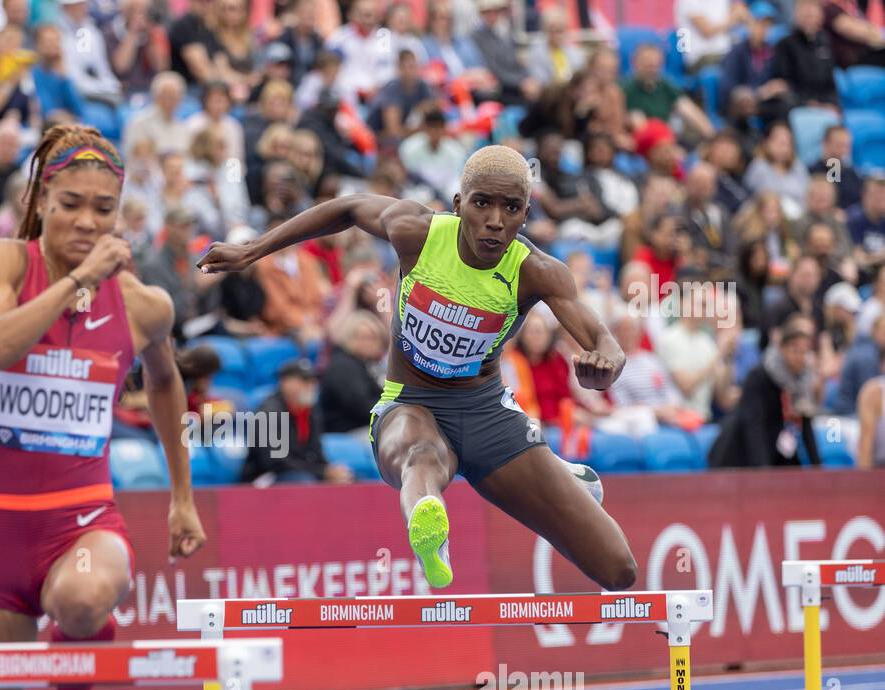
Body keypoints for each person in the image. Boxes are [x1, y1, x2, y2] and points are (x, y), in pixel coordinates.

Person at [199, 144, 636, 592]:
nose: (495, 221)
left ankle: (560, 476)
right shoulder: (418, 232)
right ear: (458, 204)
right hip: (410, 404)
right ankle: (430, 527)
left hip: (487, 416)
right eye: (482, 203)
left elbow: (605, 342)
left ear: (526, 214)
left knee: (617, 570)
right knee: (421, 455)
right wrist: (253, 249)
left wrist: (605, 366)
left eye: (512, 208)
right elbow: (348, 207)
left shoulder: (538, 271)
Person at [0, 125, 205, 690]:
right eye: (70, 205)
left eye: (103, 209)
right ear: (40, 201)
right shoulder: (1, 262)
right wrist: (77, 284)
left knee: (86, 600)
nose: (88, 223)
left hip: (82, 520)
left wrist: (180, 494)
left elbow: (164, 380)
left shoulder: (145, 305)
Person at [709, 317, 822, 468]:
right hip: (740, 455)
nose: (800, 357)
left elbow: (806, 426)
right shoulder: (760, 376)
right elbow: (753, 427)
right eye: (795, 350)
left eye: (804, 352)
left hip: (778, 452)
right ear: (782, 348)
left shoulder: (803, 381)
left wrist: (818, 469)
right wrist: (764, 473)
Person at [241, 359, 352, 484]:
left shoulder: (310, 410)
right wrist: (322, 472)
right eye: (305, 381)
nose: (311, 386)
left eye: (314, 381)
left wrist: (331, 470)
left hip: (302, 471)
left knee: (349, 478)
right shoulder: (268, 413)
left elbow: (316, 453)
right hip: (264, 477)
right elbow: (275, 462)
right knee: (303, 481)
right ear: (285, 383)